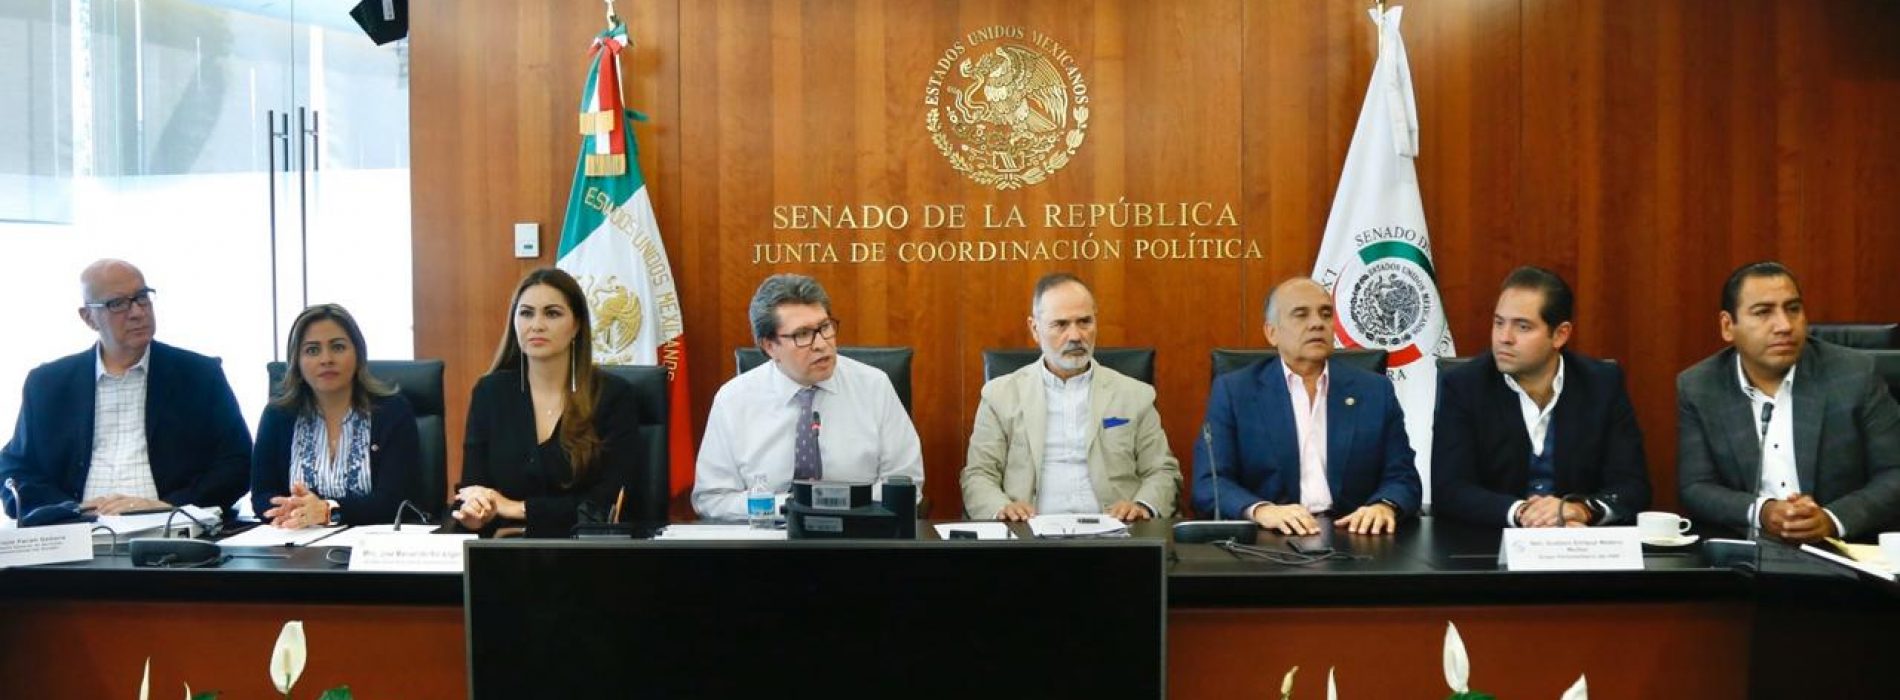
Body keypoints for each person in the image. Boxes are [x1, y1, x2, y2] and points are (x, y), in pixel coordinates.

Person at [0, 259, 250, 518]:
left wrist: (171, 506)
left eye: (142, 297)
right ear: (88, 318)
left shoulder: (199, 375)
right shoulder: (48, 384)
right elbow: (15, 471)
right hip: (76, 532)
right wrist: (71, 511)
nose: (137, 312)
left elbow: (237, 464)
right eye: (117, 304)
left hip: (173, 530)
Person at [1677, 261, 1900, 542]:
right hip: (1751, 557)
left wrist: (1831, 520)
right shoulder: (1700, 386)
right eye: (1763, 312)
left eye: (1793, 309)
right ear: (1727, 326)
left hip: (1843, 554)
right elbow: (1696, 487)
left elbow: (1895, 473)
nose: (1784, 325)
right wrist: (1763, 511)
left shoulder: (1855, 375)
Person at [1193, 277, 1421, 535]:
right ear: (1272, 332)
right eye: (1300, 315)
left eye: (1326, 314)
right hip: (1270, 538)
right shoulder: (1235, 391)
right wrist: (1261, 510)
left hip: (1354, 534)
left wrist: (1384, 506)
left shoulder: (1375, 391)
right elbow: (1209, 483)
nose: (1317, 323)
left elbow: (1403, 476)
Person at [1432, 266, 1650, 528]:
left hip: (1580, 547)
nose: (1504, 338)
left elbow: (1633, 486)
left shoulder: (1601, 385)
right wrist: (1524, 513)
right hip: (1490, 549)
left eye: (1522, 327)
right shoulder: (1465, 385)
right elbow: (1450, 489)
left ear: (1560, 334)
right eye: (1498, 322)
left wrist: (1581, 510)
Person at [693, 274, 924, 519]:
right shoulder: (733, 400)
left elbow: (906, 483)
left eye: (824, 327)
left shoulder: (874, 386)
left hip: (857, 539)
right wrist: (789, 507)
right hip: (766, 544)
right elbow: (712, 498)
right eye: (802, 334)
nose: (821, 344)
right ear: (770, 346)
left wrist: (840, 508)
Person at [960, 273, 1180, 522]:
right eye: (1061, 324)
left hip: (1116, 535)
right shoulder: (999, 396)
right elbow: (978, 475)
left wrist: (1142, 506)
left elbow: (1162, 470)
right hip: (1026, 536)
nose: (1075, 336)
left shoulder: (1135, 395)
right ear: (1035, 328)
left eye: (1084, 322)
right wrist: (1001, 508)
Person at [453, 268, 644, 537]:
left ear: (577, 325)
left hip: (585, 556)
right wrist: (475, 512)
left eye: (552, 313)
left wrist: (518, 509)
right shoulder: (490, 393)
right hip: (503, 555)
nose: (537, 325)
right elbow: (473, 487)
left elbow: (608, 504)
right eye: (526, 313)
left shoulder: (611, 395)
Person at [250, 304, 420, 528]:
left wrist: (328, 511)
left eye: (338, 347)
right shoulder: (278, 415)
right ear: (296, 362)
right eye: (312, 350)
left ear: (358, 354)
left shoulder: (392, 411)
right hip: (296, 548)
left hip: (371, 550)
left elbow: (395, 501)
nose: (326, 359)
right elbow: (263, 495)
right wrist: (291, 509)